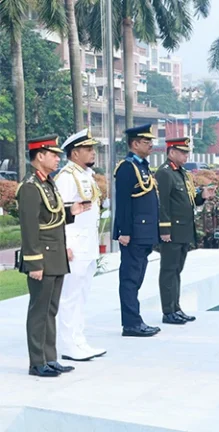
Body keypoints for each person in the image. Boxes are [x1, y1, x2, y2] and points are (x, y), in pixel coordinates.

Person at [18, 135, 90, 377]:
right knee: (39, 310)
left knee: (51, 309)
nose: (58, 158)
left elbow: (51, 218)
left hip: (56, 255)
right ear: (40, 156)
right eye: (54, 154)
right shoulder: (30, 186)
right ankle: (37, 362)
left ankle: (50, 357)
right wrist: (34, 263)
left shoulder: (47, 183)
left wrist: (72, 212)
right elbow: (29, 229)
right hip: (42, 258)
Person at [54, 129, 107, 361]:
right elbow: (61, 215)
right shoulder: (66, 177)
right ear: (75, 153)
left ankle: (79, 340)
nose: (92, 152)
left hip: (88, 245)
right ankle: (67, 345)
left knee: (82, 295)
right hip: (74, 245)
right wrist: (63, 245)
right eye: (88, 149)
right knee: (69, 297)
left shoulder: (87, 174)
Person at [155, 137, 213, 325]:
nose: (186, 155)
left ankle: (176, 307)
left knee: (177, 270)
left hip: (184, 229)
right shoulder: (164, 173)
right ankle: (168, 311)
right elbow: (162, 203)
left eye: (187, 152)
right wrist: (164, 228)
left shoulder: (182, 173)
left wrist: (201, 196)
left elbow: (188, 201)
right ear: (171, 152)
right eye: (182, 152)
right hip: (172, 230)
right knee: (168, 270)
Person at [113, 124, 161, 338]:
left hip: (144, 234)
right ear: (134, 144)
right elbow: (122, 202)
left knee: (137, 278)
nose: (151, 144)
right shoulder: (127, 167)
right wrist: (124, 231)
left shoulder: (142, 166)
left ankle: (135, 320)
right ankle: (131, 324)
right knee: (130, 279)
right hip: (133, 233)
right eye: (146, 141)